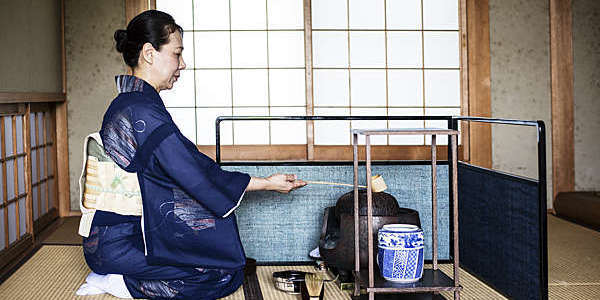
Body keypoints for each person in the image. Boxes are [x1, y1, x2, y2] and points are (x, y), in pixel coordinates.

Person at [76, 10, 306, 299]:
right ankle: (117, 283)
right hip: (119, 243)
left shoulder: (135, 103)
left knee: (231, 266)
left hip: (115, 237)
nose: (182, 64)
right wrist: (266, 183)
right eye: (177, 54)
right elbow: (190, 171)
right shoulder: (140, 110)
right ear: (149, 53)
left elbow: (181, 167)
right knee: (221, 274)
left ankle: (121, 275)